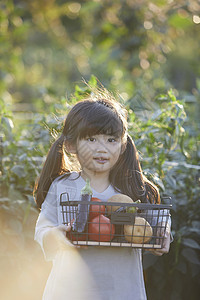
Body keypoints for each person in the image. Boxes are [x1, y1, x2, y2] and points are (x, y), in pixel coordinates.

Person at [34, 87, 171, 300]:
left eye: (111, 140)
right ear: (71, 145)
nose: (102, 149)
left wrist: (163, 234)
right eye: (91, 139)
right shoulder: (63, 187)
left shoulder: (130, 188)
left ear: (123, 145)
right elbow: (42, 228)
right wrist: (55, 235)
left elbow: (159, 221)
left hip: (122, 290)